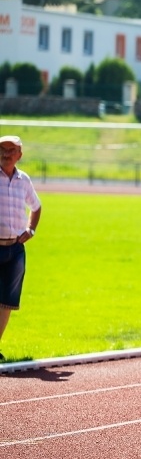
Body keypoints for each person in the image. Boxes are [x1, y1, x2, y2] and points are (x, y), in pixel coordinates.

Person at [0, 135, 41, 360]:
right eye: (2, 150)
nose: (6, 154)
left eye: (10, 150)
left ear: (19, 155)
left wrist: (31, 229)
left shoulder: (24, 180)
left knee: (7, 301)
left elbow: (36, 206)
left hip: (15, 249)